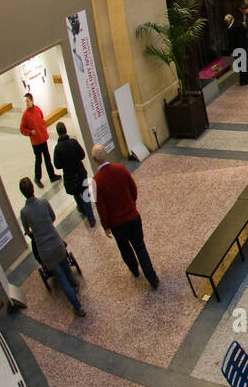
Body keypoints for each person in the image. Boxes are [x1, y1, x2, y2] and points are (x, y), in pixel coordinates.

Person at [91, 145, 159, 289]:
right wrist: (131, 204)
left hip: (117, 224)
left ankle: (134, 270)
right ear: (106, 155)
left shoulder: (96, 180)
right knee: (140, 247)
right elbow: (133, 189)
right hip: (132, 217)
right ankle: (152, 278)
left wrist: (106, 225)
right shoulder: (120, 169)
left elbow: (101, 206)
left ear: (94, 159)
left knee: (124, 248)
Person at [18, 177, 86, 317]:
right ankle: (74, 283)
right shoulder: (43, 202)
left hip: (45, 249)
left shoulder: (24, 212)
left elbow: (27, 230)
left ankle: (77, 306)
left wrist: (34, 231)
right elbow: (53, 217)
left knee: (61, 279)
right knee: (65, 264)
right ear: (33, 188)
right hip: (56, 241)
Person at [51, 122, 95, 228]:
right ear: (65, 130)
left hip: (70, 177)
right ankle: (91, 219)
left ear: (58, 133)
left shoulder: (57, 148)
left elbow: (57, 165)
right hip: (80, 173)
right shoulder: (73, 142)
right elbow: (82, 155)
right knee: (85, 195)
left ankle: (82, 210)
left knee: (76, 194)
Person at [19, 93, 61, 189]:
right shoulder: (25, 115)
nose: (26, 103)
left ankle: (52, 176)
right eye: (25, 102)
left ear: (32, 100)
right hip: (36, 142)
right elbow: (22, 129)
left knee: (47, 158)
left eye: (27, 101)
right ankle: (37, 178)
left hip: (43, 139)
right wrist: (30, 132)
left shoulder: (37, 109)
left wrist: (43, 128)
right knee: (39, 160)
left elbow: (42, 120)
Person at [224, 13, 248, 85]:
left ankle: (244, 81)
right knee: (247, 61)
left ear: (228, 21)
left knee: (241, 65)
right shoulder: (239, 23)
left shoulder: (231, 29)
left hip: (238, 49)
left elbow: (231, 42)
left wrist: (231, 52)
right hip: (245, 45)